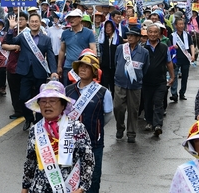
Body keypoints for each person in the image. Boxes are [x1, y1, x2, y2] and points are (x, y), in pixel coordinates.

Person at [22, 81, 94, 193]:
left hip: (68, 188)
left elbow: (87, 160)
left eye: (52, 101)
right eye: (43, 101)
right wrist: (25, 187)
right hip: (39, 188)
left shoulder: (76, 128)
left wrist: (82, 188)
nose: (47, 105)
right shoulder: (35, 129)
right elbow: (30, 161)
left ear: (63, 105)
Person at [65, 53, 112, 193]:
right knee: (70, 178)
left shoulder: (103, 92)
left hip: (94, 143)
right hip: (70, 142)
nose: (83, 69)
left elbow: (108, 115)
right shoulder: (68, 90)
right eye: (81, 67)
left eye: (87, 67)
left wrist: (96, 127)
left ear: (94, 71)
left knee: (93, 178)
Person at [6, 13, 58, 131]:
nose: (34, 23)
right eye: (32, 21)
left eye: (36, 21)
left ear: (40, 23)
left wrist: (53, 71)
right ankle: (28, 118)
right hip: (25, 72)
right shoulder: (24, 36)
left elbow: (50, 56)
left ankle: (39, 121)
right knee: (23, 97)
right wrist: (11, 28)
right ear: (29, 23)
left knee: (41, 99)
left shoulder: (46, 39)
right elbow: (11, 41)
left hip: (40, 72)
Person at [113, 28, 149, 143]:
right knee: (118, 107)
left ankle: (131, 133)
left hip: (135, 85)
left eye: (132, 36)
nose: (129, 37)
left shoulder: (144, 52)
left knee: (133, 110)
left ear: (138, 38)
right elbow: (116, 62)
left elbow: (146, 68)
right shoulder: (120, 48)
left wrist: (139, 77)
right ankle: (120, 127)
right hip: (120, 83)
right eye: (128, 35)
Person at [143, 24, 175, 137]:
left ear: (159, 34)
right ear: (147, 33)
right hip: (146, 82)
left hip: (160, 81)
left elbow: (169, 62)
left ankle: (158, 125)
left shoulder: (164, 47)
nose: (152, 34)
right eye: (150, 32)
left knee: (158, 102)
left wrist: (172, 76)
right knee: (147, 102)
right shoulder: (142, 48)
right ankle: (149, 122)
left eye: (155, 32)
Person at [58, 9, 97, 84]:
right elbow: (62, 50)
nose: (71, 19)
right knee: (68, 91)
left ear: (80, 19)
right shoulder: (65, 33)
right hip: (68, 66)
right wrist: (59, 66)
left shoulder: (89, 33)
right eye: (70, 18)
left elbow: (93, 49)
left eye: (74, 17)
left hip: (83, 67)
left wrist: (93, 66)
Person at [169, 17, 196, 102]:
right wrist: (173, 47)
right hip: (176, 59)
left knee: (185, 77)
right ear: (176, 25)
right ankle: (174, 94)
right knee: (174, 76)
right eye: (179, 24)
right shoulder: (172, 36)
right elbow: (168, 48)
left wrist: (193, 55)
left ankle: (182, 93)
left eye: (182, 24)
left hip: (185, 58)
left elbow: (191, 45)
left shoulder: (187, 35)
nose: (181, 26)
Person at [98, 19, 122, 94]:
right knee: (104, 86)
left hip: (115, 68)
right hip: (104, 67)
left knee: (114, 87)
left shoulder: (118, 39)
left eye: (110, 26)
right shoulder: (102, 39)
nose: (108, 28)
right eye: (106, 27)